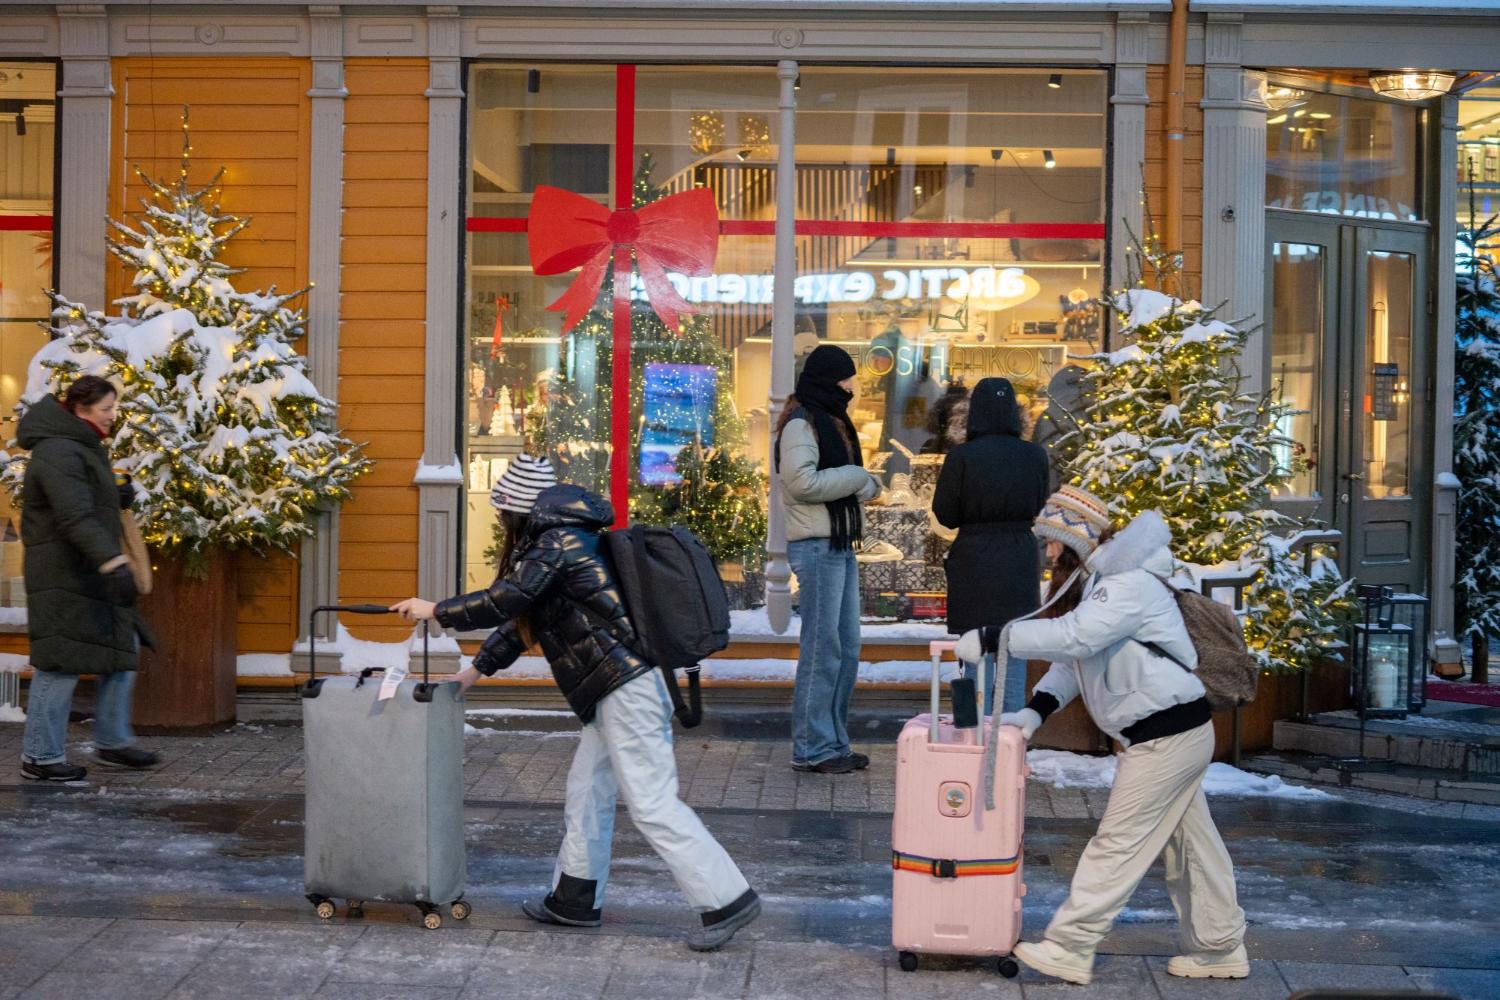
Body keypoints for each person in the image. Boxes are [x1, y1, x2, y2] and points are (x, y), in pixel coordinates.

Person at [391, 461, 760, 953]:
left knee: (651, 804)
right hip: (609, 692)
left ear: (520, 509)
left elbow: (509, 598)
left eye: (501, 509)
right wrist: (474, 670)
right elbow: (526, 617)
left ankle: (727, 898)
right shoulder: (559, 543)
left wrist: (437, 610)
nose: (499, 518)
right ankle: (574, 899)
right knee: (587, 793)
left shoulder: (559, 543)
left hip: (625, 689)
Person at [957, 486, 1247, 986]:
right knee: (1192, 848)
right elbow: (1076, 661)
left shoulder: (1127, 583)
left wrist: (992, 637)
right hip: (1171, 733)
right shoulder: (1100, 584)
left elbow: (1076, 637)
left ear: (1076, 538)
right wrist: (1033, 712)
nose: (1047, 553)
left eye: (1052, 542)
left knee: (1118, 843)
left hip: (1167, 737)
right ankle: (1219, 947)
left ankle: (1071, 946)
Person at [18, 376, 159, 782]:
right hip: (65, 572)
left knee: (123, 645)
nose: (114, 417)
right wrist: (113, 562)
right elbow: (72, 515)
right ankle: (39, 757)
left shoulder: (82, 442)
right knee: (60, 661)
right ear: (81, 410)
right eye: (106, 409)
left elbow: (85, 499)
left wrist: (117, 494)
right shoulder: (59, 450)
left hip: (89, 568)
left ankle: (112, 742)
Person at [775, 344, 882, 774]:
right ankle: (811, 747)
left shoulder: (828, 419)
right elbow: (801, 482)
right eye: (846, 379)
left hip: (836, 541)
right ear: (827, 380)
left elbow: (834, 482)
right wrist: (858, 477)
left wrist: (863, 485)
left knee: (846, 647)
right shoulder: (801, 424)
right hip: (817, 545)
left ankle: (833, 742)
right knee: (823, 649)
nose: (851, 386)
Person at [933, 377, 1048, 715]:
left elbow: (945, 514)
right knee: (1013, 654)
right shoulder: (1034, 456)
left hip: (974, 559)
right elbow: (1040, 504)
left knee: (974, 653)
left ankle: (974, 738)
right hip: (1020, 558)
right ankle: (1009, 743)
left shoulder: (962, 457)